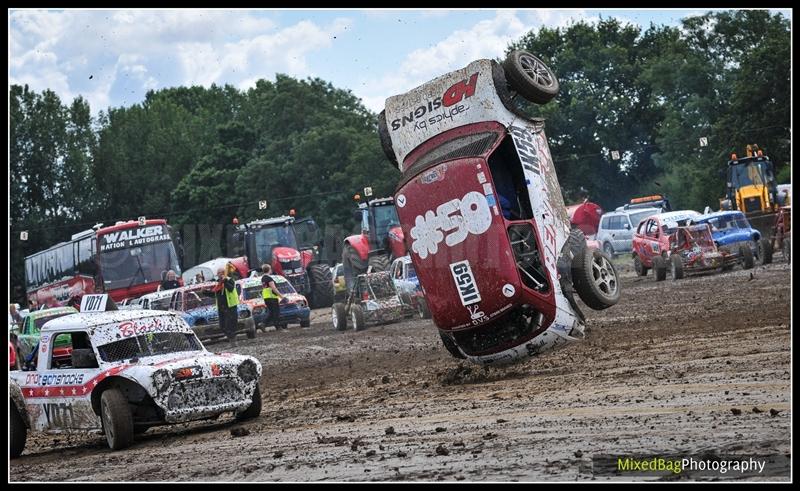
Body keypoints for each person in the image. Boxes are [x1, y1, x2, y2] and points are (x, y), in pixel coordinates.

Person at [211, 264, 240, 347]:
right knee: (222, 326)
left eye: (221, 273)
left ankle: (233, 342)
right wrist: (205, 292)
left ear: (224, 273)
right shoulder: (218, 283)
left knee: (230, 325)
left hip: (230, 306)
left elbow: (230, 289)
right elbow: (214, 293)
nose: (219, 274)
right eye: (218, 273)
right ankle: (232, 339)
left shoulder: (230, 280)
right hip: (221, 307)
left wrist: (225, 281)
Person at [260, 264, 285, 330]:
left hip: (266, 297)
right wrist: (282, 296)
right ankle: (277, 326)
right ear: (269, 269)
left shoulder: (263, 278)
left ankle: (263, 324)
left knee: (271, 312)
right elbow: (274, 288)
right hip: (272, 297)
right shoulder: (269, 278)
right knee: (276, 312)